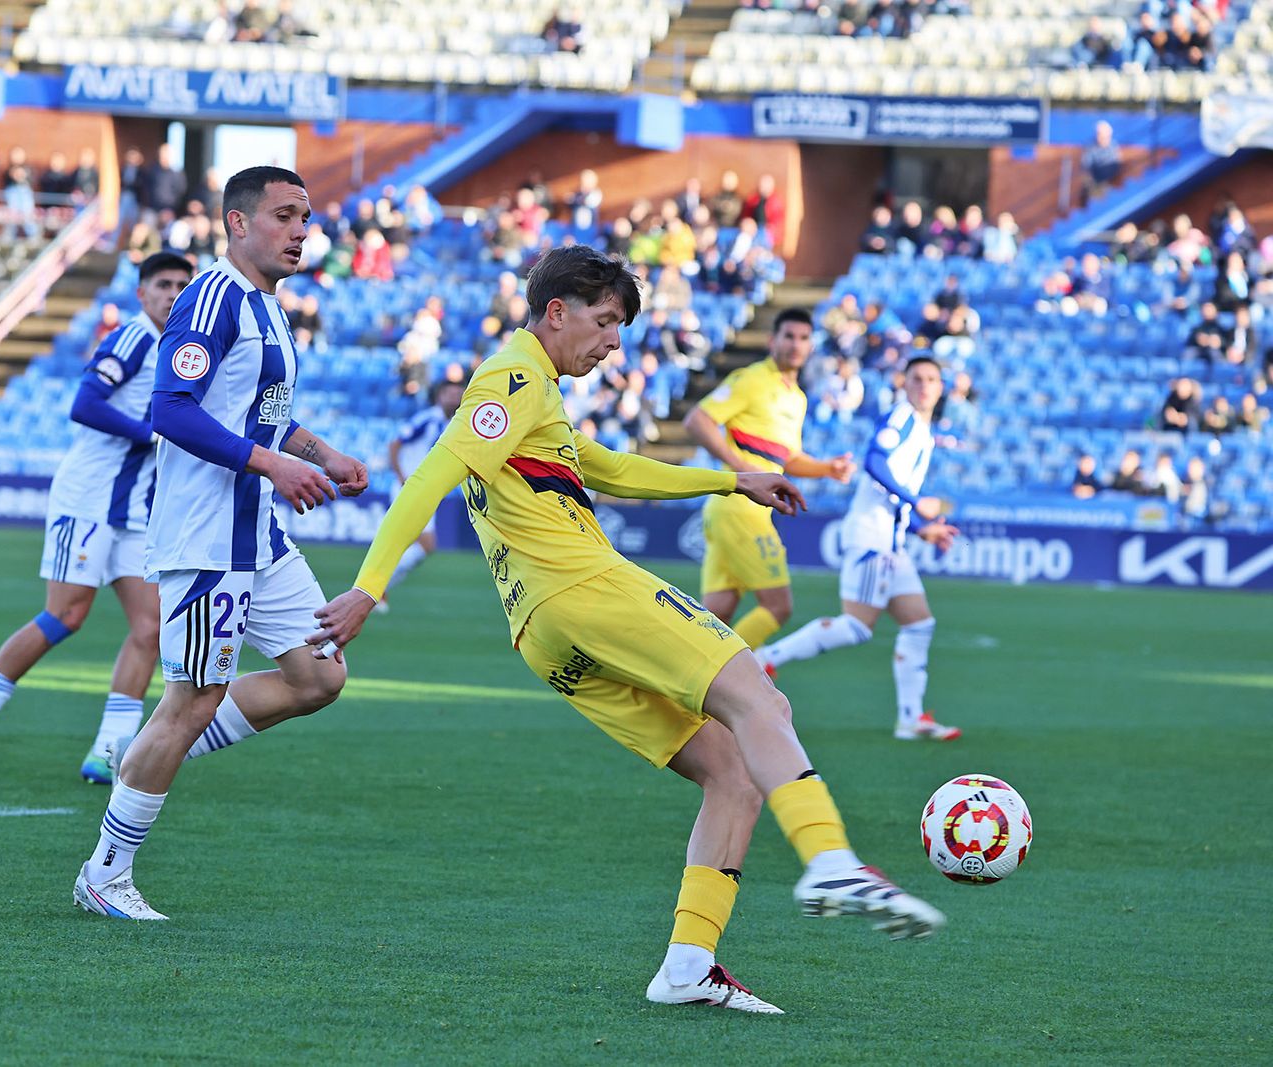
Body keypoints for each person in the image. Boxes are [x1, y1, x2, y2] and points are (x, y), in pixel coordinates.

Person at [308, 245, 944, 1014]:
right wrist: (366, 591)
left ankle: (687, 963)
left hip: (544, 635)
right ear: (556, 312)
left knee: (733, 774)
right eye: (605, 322)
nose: (614, 342)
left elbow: (611, 468)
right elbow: (431, 476)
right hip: (582, 588)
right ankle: (831, 859)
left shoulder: (536, 388)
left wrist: (733, 476)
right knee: (761, 702)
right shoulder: (511, 378)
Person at [73, 167, 370, 921]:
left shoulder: (270, 309)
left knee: (320, 675)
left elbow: (263, 413)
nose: (302, 229)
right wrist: (273, 462)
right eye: (284, 215)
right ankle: (106, 871)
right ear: (238, 224)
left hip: (256, 533)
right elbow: (172, 408)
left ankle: (149, 758)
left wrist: (323, 451)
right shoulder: (210, 296)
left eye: (306, 215)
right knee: (191, 700)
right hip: (207, 537)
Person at [0, 252, 194, 782]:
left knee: (150, 628)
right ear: (142, 293)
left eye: (181, 285)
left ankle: (105, 752)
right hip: (88, 498)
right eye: (163, 284)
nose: (173, 294)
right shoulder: (134, 338)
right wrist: (150, 431)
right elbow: (85, 403)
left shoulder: (180, 350)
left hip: (132, 508)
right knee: (65, 617)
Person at [755, 357, 964, 741]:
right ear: (904, 384)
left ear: (941, 387)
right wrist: (917, 503)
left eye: (931, 379)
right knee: (855, 626)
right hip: (872, 538)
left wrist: (920, 529)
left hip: (891, 542)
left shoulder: (921, 429)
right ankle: (765, 659)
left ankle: (910, 719)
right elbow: (874, 462)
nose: (924, 385)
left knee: (919, 624)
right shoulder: (901, 417)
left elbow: (892, 491)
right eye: (916, 378)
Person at [682, 310, 856, 650]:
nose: (796, 344)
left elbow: (787, 458)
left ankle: (681, 691)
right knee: (778, 607)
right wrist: (741, 468)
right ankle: (730, 676)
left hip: (730, 510)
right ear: (772, 340)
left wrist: (826, 469)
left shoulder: (797, 397)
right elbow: (697, 420)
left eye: (804, 338)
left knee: (715, 617)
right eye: (788, 336)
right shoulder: (752, 379)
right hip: (739, 509)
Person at [378, 379, 467, 608]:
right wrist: (400, 475)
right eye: (450, 392)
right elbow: (394, 444)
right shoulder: (427, 418)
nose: (455, 397)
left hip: (423, 489)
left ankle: (379, 588)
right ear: (440, 395)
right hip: (410, 486)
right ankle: (376, 588)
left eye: (459, 392)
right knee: (424, 544)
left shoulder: (453, 422)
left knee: (415, 544)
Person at [1082, 121, 1122, 205]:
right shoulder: (1091, 147)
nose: (1101, 138)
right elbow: (1086, 165)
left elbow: (1116, 166)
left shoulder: (1113, 147)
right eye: (1099, 135)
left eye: (1105, 136)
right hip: (1094, 181)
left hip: (1109, 182)